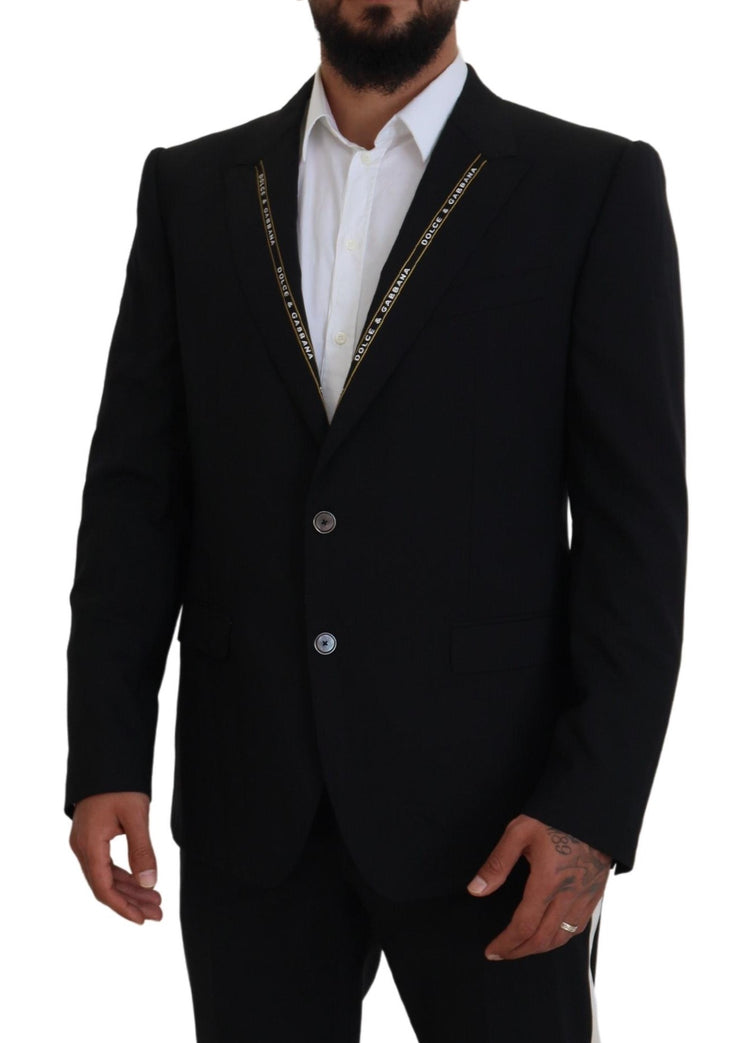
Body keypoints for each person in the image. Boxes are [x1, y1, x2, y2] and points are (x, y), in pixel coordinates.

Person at [64, 1, 687, 1040]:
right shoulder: (192, 188)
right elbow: (135, 496)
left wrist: (594, 805)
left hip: (503, 819)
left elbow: (637, 534)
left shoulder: (589, 186)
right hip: (250, 803)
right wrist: (105, 753)